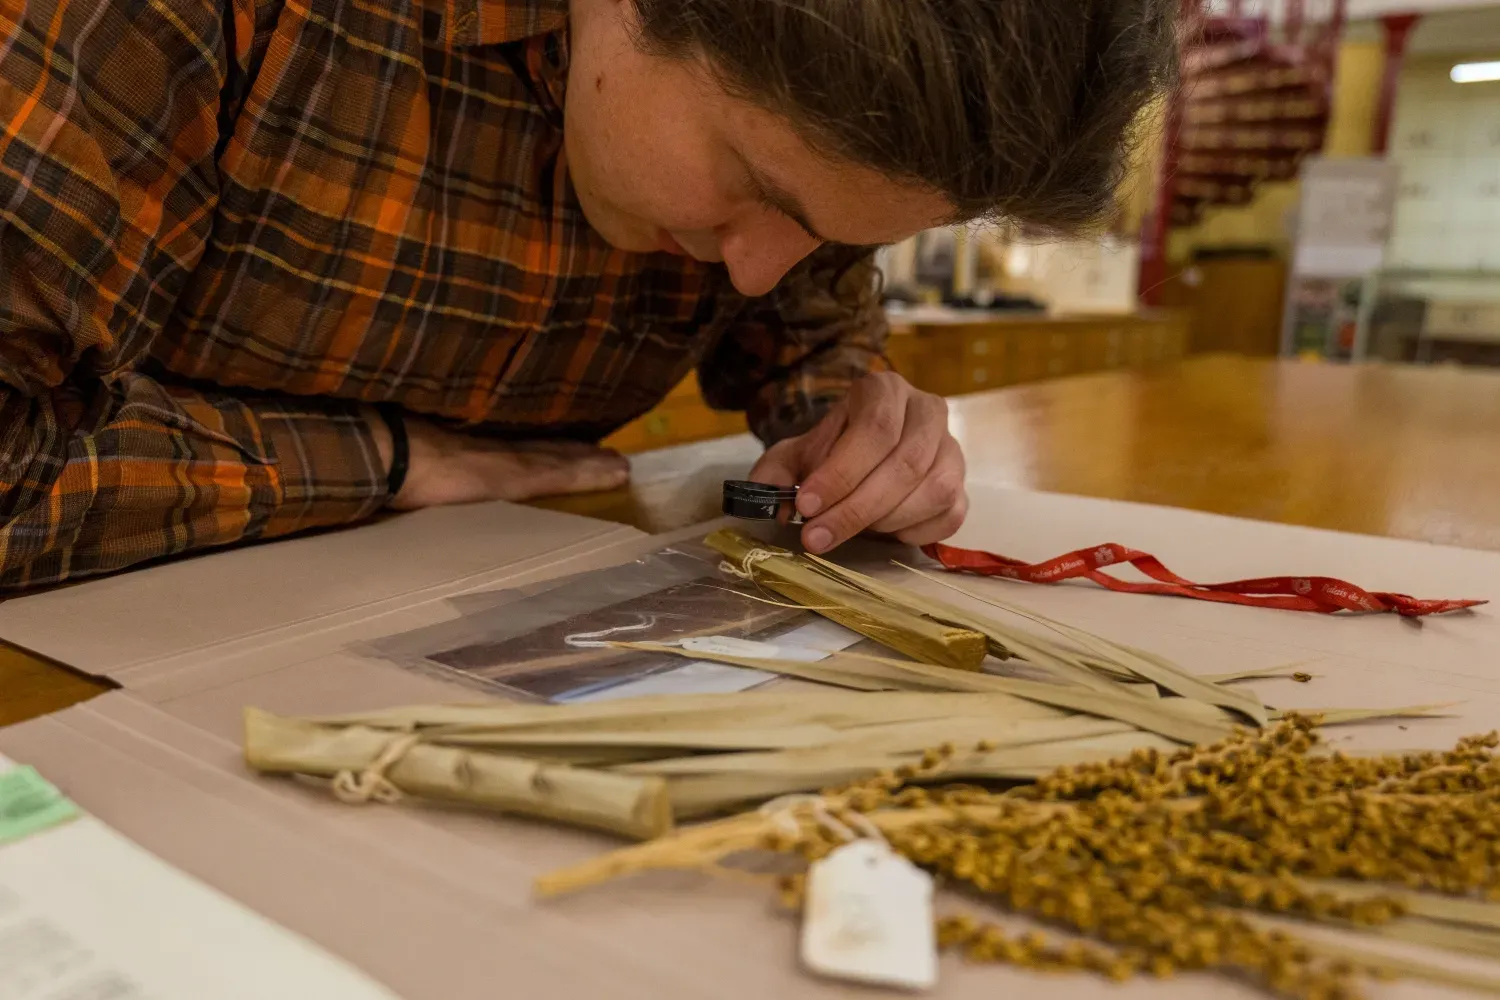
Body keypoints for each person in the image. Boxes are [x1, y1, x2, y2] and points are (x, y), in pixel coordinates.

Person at [0, 0, 1176, 589]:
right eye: (753, 187)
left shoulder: (800, 132)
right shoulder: (174, 20)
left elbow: (802, 326)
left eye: (826, 231)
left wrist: (853, 423)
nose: (759, 266)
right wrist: (386, 461)